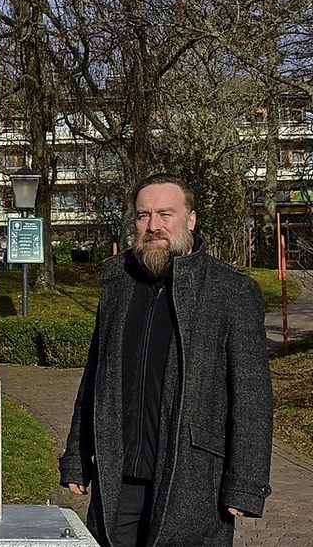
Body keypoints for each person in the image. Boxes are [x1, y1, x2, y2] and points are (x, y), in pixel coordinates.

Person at [60, 173, 272, 547]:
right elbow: (96, 375)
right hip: (118, 475)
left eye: (165, 214)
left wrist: (246, 483)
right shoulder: (117, 280)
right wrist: (77, 455)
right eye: (143, 215)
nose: (153, 226)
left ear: (190, 219)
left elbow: (252, 395)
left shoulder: (231, 290)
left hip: (192, 478)